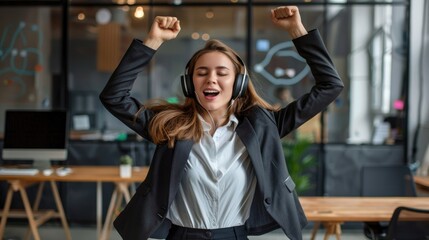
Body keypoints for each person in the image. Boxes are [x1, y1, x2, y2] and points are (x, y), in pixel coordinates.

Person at [100, 5, 343, 240]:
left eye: (222, 73)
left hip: (234, 235)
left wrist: (297, 32)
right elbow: (114, 97)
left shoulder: (262, 127)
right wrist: (152, 41)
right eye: (202, 72)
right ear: (190, 83)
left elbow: (330, 86)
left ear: (238, 83)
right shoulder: (170, 127)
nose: (211, 80)